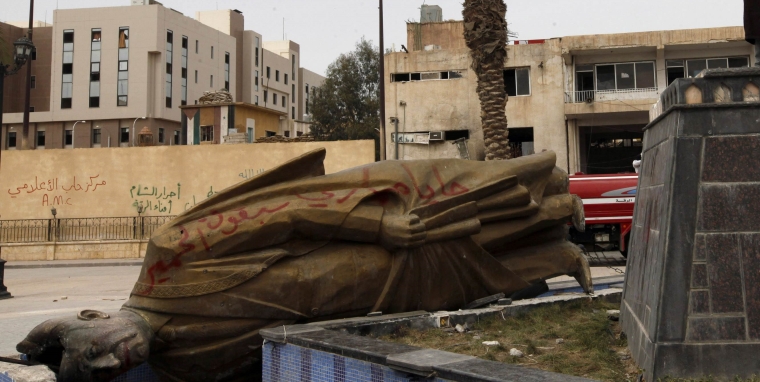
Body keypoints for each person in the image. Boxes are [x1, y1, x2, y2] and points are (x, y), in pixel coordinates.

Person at [17, 149, 590, 382]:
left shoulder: (170, 257)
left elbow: (284, 211)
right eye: (102, 370)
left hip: (372, 238)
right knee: (474, 270)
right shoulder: (183, 369)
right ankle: (561, 253)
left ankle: (556, 194)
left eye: (94, 345)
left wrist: (378, 225)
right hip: (376, 297)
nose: (113, 357)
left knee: (489, 203)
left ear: (94, 315)